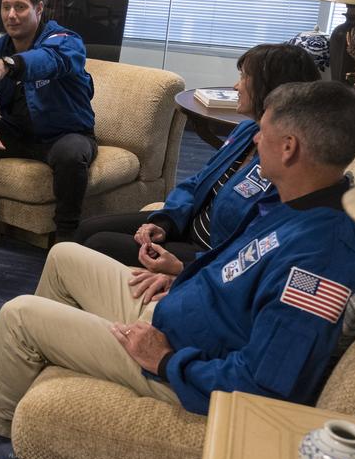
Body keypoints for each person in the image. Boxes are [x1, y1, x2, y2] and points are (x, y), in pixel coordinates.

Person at [0, 81, 355, 459]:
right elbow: (238, 274)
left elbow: (264, 387)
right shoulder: (299, 205)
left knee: (19, 316)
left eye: (263, 133)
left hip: (178, 360)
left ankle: (5, 456)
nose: (254, 140)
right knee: (64, 256)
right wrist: (182, 277)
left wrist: (167, 360)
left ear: (288, 148)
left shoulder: (322, 259)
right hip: (176, 313)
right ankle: (34, 406)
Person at [73, 43, 321, 302]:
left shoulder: (283, 164)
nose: (236, 86)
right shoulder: (246, 131)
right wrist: (165, 222)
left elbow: (251, 249)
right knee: (87, 228)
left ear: (271, 89)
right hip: (185, 225)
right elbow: (197, 182)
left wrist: (185, 267)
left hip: (206, 253)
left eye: (244, 78)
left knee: (98, 244)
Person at [0, 0, 96, 248]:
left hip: (65, 135)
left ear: (38, 9)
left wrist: (9, 65)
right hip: (18, 134)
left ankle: (66, 235)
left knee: (71, 153)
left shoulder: (66, 40)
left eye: (20, 7)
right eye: (6, 7)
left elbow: (50, 60)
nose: (11, 15)